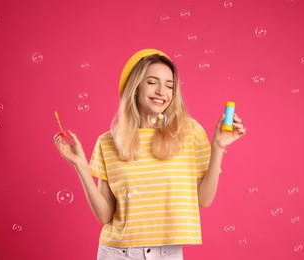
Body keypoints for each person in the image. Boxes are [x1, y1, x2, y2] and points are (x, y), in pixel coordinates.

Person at [54, 48, 246, 260]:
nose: (162, 91)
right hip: (117, 253)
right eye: (152, 82)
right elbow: (105, 215)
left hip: (168, 253)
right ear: (135, 87)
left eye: (169, 85)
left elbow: (204, 200)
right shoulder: (108, 142)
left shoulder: (189, 132)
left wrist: (218, 146)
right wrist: (80, 166)